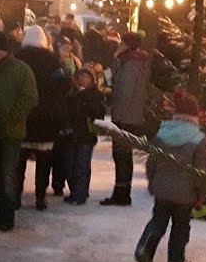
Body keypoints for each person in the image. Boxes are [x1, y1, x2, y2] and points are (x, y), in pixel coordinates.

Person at [134, 91, 206, 262]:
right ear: (195, 114)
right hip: (186, 193)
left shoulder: (162, 133)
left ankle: (145, 249)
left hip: (162, 189)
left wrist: (153, 182)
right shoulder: (199, 138)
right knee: (181, 226)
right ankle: (176, 260)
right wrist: (201, 194)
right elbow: (201, 171)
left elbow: (152, 162)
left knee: (158, 220)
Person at [0, 31, 37, 231]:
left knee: (7, 174)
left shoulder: (22, 70)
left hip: (11, 133)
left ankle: (7, 214)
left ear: (5, 50)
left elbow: (29, 98)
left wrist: (13, 118)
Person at [16, 25, 69, 211]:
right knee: (44, 161)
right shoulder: (52, 61)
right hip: (46, 118)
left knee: (19, 161)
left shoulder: (17, 58)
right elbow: (63, 86)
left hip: (23, 116)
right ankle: (40, 197)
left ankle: (15, 195)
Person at [103, 32, 153, 207]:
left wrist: (114, 107)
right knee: (123, 156)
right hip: (131, 115)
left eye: (122, 42)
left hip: (125, 116)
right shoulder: (135, 62)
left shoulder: (130, 64)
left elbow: (124, 92)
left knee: (121, 155)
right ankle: (121, 192)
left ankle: (122, 194)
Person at [63, 67, 107, 205]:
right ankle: (75, 191)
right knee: (71, 166)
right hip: (72, 135)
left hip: (86, 135)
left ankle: (80, 194)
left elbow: (98, 115)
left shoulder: (95, 95)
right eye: (80, 76)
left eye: (86, 77)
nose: (83, 79)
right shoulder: (71, 94)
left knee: (82, 165)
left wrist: (86, 103)